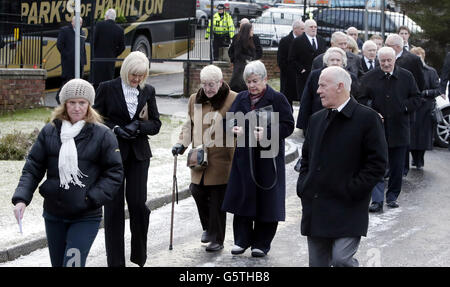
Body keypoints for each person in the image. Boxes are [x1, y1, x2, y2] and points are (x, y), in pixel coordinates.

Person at [12, 79, 124, 267]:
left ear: (89, 105)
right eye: (72, 102)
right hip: (54, 214)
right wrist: (21, 199)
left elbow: (114, 172)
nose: (77, 108)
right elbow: (33, 168)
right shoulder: (50, 132)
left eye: (82, 102)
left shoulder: (102, 135)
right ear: (64, 104)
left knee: (72, 264)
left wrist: (91, 198)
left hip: (85, 216)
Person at [297, 66, 387, 267]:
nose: (318, 90)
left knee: (342, 260)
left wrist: (352, 189)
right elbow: (306, 160)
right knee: (318, 264)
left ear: (339, 87)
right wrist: (303, 186)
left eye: (322, 85)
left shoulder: (367, 118)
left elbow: (377, 164)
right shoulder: (316, 119)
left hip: (348, 206)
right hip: (317, 206)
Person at [93, 51, 162, 267]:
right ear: (125, 71)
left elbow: (156, 124)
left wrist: (139, 126)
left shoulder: (148, 90)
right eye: (134, 75)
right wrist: (115, 129)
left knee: (138, 205)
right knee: (113, 209)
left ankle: (139, 257)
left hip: (139, 156)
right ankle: (115, 262)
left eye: (141, 76)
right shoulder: (107, 87)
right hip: (112, 155)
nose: (137, 80)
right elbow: (95, 119)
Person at [222, 60, 295, 257]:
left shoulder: (277, 98)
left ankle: (261, 243)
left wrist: (268, 132)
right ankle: (242, 240)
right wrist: (233, 128)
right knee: (243, 197)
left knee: (267, 199)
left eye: (255, 81)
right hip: (245, 157)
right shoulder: (241, 98)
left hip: (268, 157)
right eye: (248, 82)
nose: (251, 86)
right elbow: (227, 122)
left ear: (265, 79)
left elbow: (288, 125)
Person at [172, 65, 237, 252]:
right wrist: (181, 144)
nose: (208, 89)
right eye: (204, 84)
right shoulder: (195, 99)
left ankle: (217, 238)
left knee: (217, 198)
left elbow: (241, 123)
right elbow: (189, 125)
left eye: (211, 85)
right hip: (200, 157)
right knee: (196, 190)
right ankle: (208, 228)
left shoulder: (233, 98)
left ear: (220, 82)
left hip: (222, 157)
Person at [359, 47, 421, 211]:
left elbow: (416, 98)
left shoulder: (406, 76)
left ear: (395, 60)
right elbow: (361, 99)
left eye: (389, 60)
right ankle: (377, 200)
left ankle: (392, 196)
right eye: (383, 61)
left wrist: (403, 107)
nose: (386, 64)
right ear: (379, 61)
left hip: (399, 128)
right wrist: (373, 112)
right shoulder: (369, 77)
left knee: (397, 166)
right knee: (376, 163)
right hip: (377, 129)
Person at [385, 34, 425, 176]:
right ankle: (389, 168)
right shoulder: (385, 58)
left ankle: (403, 168)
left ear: (397, 46)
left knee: (404, 139)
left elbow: (420, 83)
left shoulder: (412, 59)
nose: (385, 47)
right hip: (388, 107)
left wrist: (409, 103)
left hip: (405, 107)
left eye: (388, 45)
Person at [297, 47, 360, 132]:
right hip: (319, 117)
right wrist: (304, 124)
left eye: (338, 60)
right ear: (327, 62)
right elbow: (307, 99)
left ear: (343, 63)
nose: (335, 62)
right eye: (332, 60)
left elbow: (355, 98)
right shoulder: (315, 75)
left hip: (343, 119)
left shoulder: (350, 77)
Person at [409, 47, 443, 168]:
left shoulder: (431, 71)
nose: (418, 59)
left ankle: (420, 159)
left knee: (424, 135)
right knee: (412, 134)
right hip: (413, 106)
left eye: (420, 56)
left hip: (426, 107)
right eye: (415, 56)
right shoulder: (409, 71)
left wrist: (426, 93)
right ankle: (414, 157)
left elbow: (438, 89)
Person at [288, 19, 326, 102]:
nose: (313, 29)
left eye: (315, 27)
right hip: (304, 77)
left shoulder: (321, 40)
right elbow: (292, 59)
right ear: (305, 28)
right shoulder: (298, 41)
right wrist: (301, 70)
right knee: (305, 100)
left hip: (319, 76)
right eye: (311, 27)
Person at [92, 8, 125, 90]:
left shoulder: (99, 25)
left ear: (106, 17)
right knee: (108, 82)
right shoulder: (120, 29)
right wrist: (114, 54)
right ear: (115, 17)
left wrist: (96, 52)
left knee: (97, 83)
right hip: (110, 60)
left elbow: (94, 41)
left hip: (98, 59)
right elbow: (122, 47)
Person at [56, 16, 87, 104]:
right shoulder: (65, 30)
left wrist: (83, 60)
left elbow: (83, 47)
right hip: (68, 62)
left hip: (79, 62)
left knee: (77, 81)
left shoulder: (82, 32)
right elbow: (59, 45)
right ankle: (59, 97)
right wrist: (67, 55)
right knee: (67, 81)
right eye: (77, 22)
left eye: (80, 23)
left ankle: (73, 100)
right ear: (72, 22)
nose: (79, 24)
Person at [277, 19, 304, 108]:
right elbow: (281, 61)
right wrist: (291, 71)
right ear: (295, 29)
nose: (304, 31)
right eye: (302, 29)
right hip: (288, 77)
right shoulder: (285, 41)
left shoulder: (304, 41)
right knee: (287, 101)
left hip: (300, 76)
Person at [228, 23, 262, 92]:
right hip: (240, 70)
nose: (253, 32)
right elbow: (236, 54)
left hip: (248, 69)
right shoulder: (239, 41)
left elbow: (257, 52)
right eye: (251, 30)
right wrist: (248, 59)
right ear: (247, 31)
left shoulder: (251, 40)